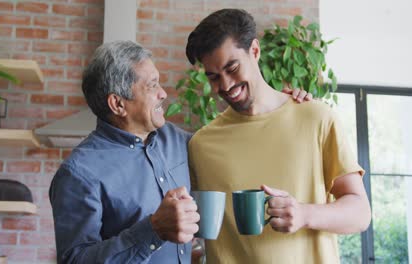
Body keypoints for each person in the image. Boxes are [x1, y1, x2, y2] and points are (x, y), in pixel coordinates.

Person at [49, 40, 311, 263]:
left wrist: (283, 107)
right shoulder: (79, 174)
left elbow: (231, 145)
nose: (163, 93)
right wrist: (152, 230)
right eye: (152, 85)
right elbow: (75, 259)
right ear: (117, 104)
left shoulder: (175, 140)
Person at [186, 9, 371, 263]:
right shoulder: (201, 144)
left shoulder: (316, 118)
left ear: (255, 50)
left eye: (232, 68)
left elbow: (360, 213)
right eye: (214, 77)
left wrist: (304, 214)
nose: (226, 85)